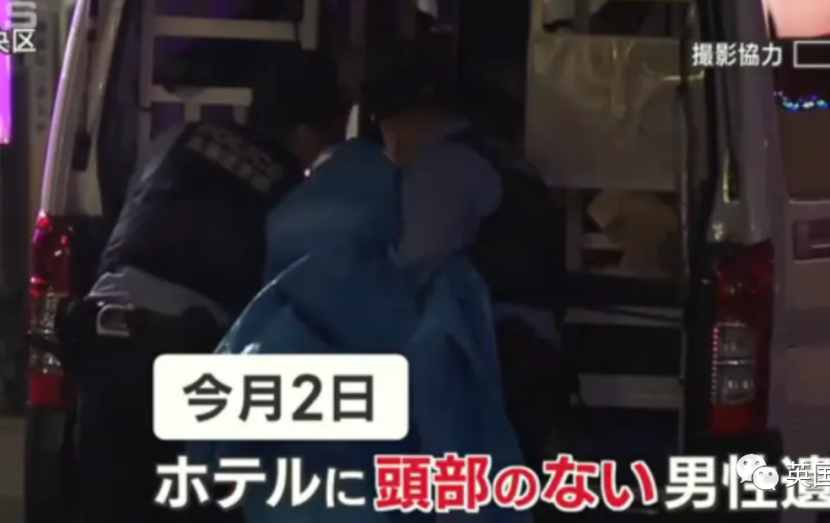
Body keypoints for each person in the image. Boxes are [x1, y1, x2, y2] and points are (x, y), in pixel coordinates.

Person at [70, 48, 350, 523]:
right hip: (185, 355)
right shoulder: (294, 194)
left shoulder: (175, 140)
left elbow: (129, 222)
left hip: (102, 339)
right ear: (306, 132)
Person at [362, 49, 570, 473]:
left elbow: (413, 266)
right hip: (524, 358)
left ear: (397, 125)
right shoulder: (499, 155)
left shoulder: (444, 168)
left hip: (483, 366)